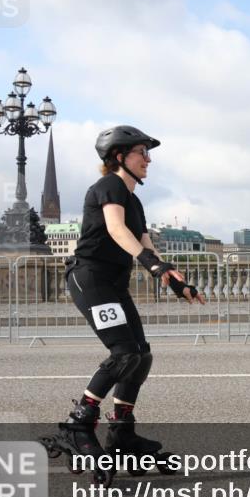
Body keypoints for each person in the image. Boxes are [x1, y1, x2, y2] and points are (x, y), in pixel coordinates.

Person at [54, 125, 205, 475]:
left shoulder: (134, 199)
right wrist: (151, 264)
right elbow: (116, 230)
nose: (148, 159)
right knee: (123, 354)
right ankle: (79, 425)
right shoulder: (108, 187)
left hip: (113, 284)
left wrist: (173, 280)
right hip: (90, 279)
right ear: (120, 157)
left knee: (141, 356)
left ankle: (121, 432)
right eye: (142, 152)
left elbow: (144, 242)